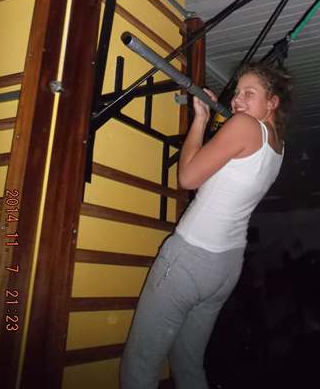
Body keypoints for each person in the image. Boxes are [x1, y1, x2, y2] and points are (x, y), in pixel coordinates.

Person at [120, 62, 293, 389]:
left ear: (272, 102)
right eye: (237, 93)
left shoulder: (245, 126)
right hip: (226, 267)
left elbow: (188, 178)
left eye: (249, 93)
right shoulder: (278, 147)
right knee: (187, 364)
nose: (237, 101)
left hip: (191, 259)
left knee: (141, 363)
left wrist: (200, 119)